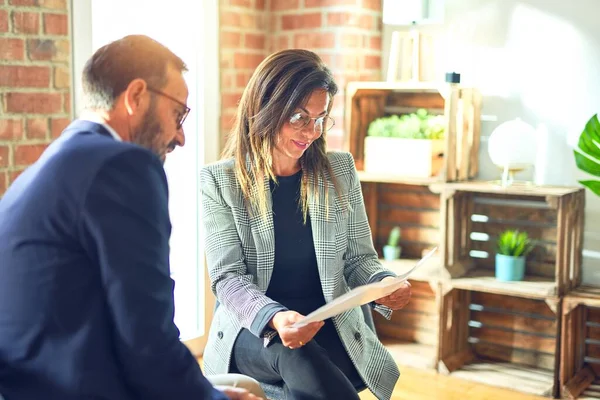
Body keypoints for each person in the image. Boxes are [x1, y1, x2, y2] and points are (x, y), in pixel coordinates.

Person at [0, 35, 264, 400]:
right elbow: (146, 336)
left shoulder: (59, 159)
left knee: (242, 385)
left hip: (31, 382)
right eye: (178, 114)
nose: (181, 137)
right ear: (136, 96)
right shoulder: (121, 165)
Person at [199, 49, 412, 400]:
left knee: (310, 365)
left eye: (320, 118)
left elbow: (359, 260)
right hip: (256, 328)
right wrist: (277, 317)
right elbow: (227, 278)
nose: (312, 131)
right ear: (265, 109)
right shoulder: (220, 181)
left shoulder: (339, 170)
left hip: (329, 323)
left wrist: (383, 283)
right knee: (296, 352)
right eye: (299, 117)